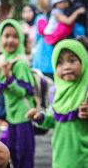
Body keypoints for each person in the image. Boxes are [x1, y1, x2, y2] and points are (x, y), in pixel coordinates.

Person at [27, 39, 88, 168]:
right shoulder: (57, 93)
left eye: (72, 60)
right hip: (60, 158)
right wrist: (40, 117)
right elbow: (53, 118)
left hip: (83, 159)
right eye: (59, 63)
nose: (66, 67)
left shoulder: (86, 91)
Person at [0, 19, 36, 168]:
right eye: (6, 36)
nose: (10, 40)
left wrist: (9, 75)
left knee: (24, 155)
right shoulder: (1, 60)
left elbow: (23, 91)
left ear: (21, 40)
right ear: (0, 38)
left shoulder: (20, 63)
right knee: (12, 153)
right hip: (11, 115)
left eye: (15, 36)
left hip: (24, 115)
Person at [32, 0, 54, 79]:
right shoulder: (41, 18)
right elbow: (42, 31)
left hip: (48, 47)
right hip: (44, 49)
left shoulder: (53, 16)